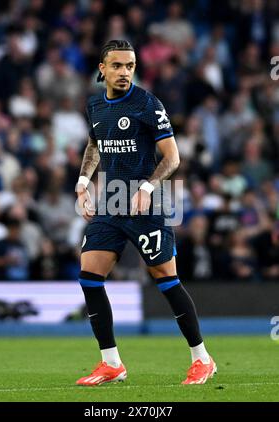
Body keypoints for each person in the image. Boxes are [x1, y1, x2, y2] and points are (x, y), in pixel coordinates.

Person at [75, 40, 216, 386]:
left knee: (166, 280)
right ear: (102, 69)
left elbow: (172, 157)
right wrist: (82, 182)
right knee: (89, 276)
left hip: (147, 206)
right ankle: (111, 363)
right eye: (118, 66)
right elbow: (94, 144)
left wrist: (148, 187)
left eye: (130, 66)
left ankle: (202, 358)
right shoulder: (95, 106)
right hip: (111, 204)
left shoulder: (147, 103)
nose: (125, 72)